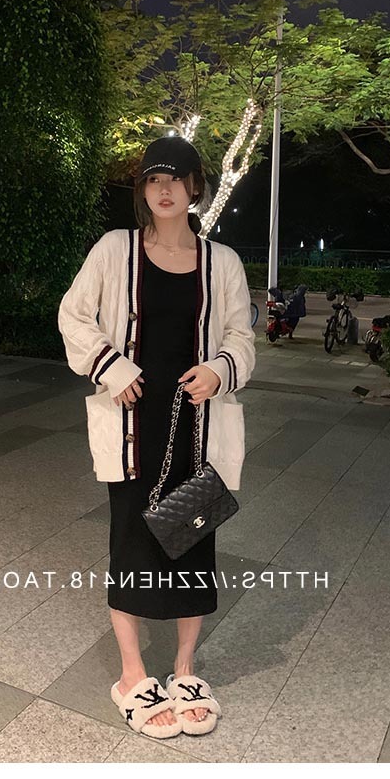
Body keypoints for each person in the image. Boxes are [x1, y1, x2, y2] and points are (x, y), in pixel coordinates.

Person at [57, 135, 256, 739]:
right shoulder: (114, 250)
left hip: (198, 428)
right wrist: (111, 367)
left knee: (194, 544)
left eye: (175, 178)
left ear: (195, 186)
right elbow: (73, 314)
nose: (163, 189)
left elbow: (242, 336)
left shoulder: (222, 262)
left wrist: (220, 369)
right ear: (143, 189)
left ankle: (185, 669)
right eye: (152, 179)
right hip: (132, 427)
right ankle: (132, 675)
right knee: (132, 544)